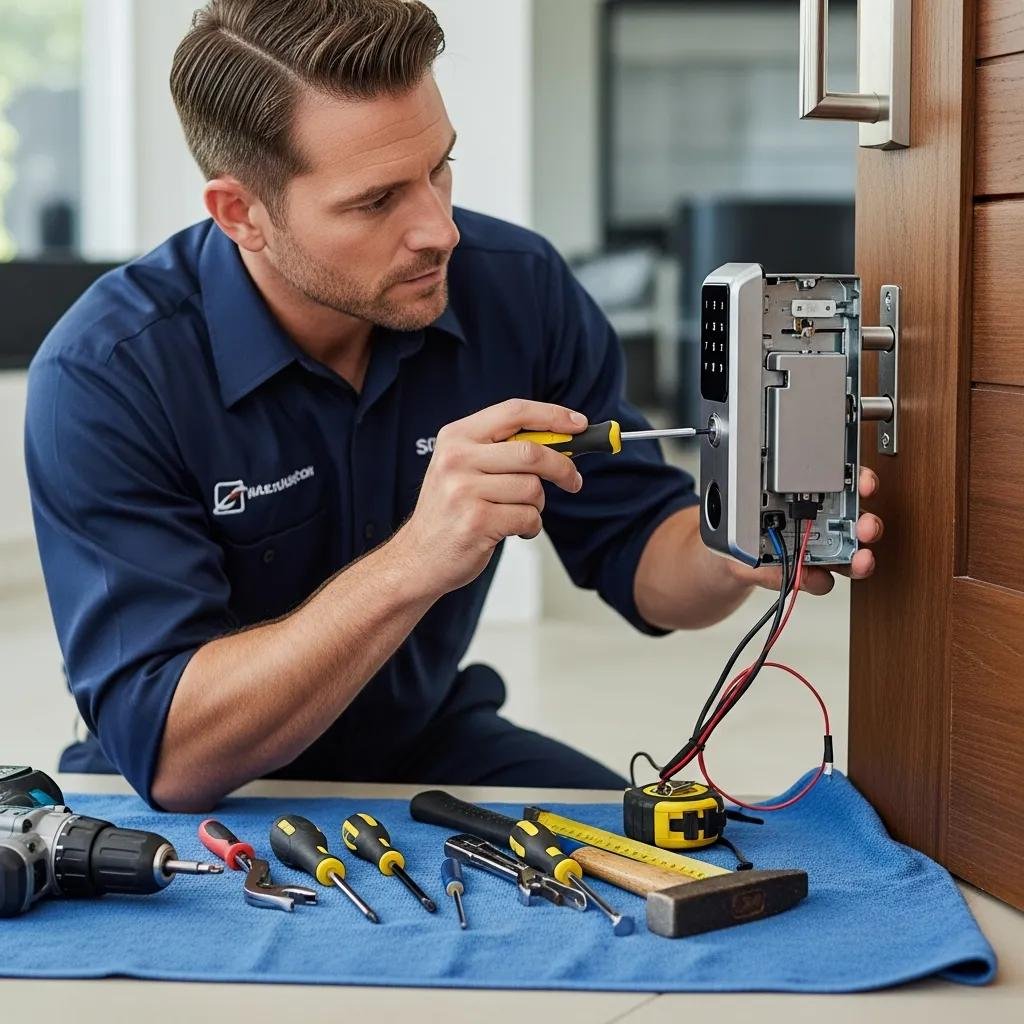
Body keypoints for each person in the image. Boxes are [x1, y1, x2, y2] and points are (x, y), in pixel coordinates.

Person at [25, 0, 881, 812]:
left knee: (681, 860)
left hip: (427, 744)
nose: (440, 228)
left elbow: (640, 558)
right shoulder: (105, 376)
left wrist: (731, 546)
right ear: (240, 212)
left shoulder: (521, 291)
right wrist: (420, 556)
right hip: (219, 782)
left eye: (438, 167)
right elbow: (172, 754)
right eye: (376, 200)